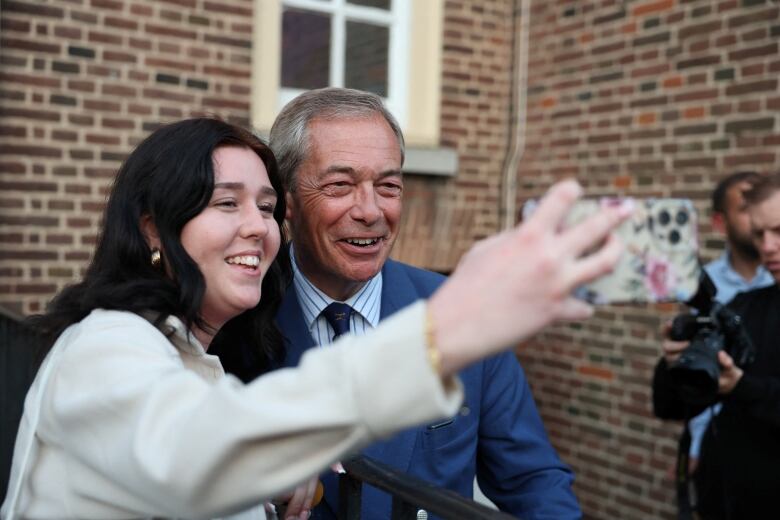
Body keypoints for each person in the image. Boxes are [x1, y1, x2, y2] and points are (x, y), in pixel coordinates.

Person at [1, 117, 628, 520]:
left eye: (264, 205)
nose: (256, 223)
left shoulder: (205, 355)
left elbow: (534, 482)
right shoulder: (106, 345)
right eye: (226, 203)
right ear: (152, 229)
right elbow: (202, 450)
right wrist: (443, 334)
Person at [264, 87, 581, 519]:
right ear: (287, 201)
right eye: (340, 185)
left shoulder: (463, 311)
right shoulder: (232, 316)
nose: (371, 210)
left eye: (388, 185)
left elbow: (533, 484)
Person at [653, 173, 780, 519]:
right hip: (726, 498)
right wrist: (675, 361)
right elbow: (669, 405)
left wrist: (742, 386)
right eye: (758, 234)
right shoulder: (744, 305)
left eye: (778, 231)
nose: (766, 246)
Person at [685, 171, 773, 470]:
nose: (767, 243)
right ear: (720, 222)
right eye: (746, 211)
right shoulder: (705, 286)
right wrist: (698, 444)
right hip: (730, 443)